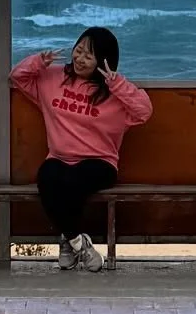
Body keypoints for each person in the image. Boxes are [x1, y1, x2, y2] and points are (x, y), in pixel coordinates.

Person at [9, 27, 152, 271]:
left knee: (71, 183)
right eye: (79, 50)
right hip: (59, 158)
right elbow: (17, 77)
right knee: (48, 179)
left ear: (103, 61)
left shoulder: (114, 94)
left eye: (88, 55)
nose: (79, 58)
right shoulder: (53, 78)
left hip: (100, 162)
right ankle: (78, 243)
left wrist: (116, 83)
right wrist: (39, 62)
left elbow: (144, 111)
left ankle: (67, 241)